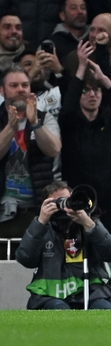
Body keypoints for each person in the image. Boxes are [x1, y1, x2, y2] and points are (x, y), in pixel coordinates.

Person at [59, 41, 111, 236]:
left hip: (110, 206)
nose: (92, 95)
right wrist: (81, 69)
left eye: (97, 90)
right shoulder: (70, 123)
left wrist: (103, 79)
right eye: (85, 90)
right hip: (77, 206)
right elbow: (67, 109)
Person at [16, 180, 111, 310]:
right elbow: (25, 259)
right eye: (56, 203)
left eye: (66, 201)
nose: (62, 206)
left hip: (92, 293)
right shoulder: (42, 229)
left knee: (106, 310)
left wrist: (88, 224)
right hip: (51, 295)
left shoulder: (88, 222)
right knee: (60, 310)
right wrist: (40, 222)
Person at [0, 64, 60, 240]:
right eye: (14, 85)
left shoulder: (44, 117)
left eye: (25, 85)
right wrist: (10, 127)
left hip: (37, 210)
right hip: (2, 211)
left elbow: (53, 150)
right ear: (2, 91)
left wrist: (35, 124)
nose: (21, 89)